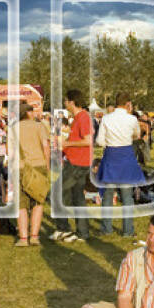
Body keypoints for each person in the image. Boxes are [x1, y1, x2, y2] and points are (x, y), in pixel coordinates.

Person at [94, 92, 145, 238]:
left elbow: (99, 141)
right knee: (127, 196)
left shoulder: (106, 118)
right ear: (128, 104)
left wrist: (110, 143)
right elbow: (137, 135)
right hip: (126, 156)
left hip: (111, 155)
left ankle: (106, 229)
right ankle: (128, 231)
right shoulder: (132, 119)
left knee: (108, 196)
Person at [55, 89, 95, 242]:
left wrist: (67, 143)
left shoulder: (83, 117)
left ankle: (63, 228)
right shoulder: (77, 118)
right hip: (76, 161)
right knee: (78, 198)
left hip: (78, 163)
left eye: (66, 101)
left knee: (57, 193)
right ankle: (82, 233)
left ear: (72, 102)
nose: (65, 104)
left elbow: (87, 141)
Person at [14, 102, 51, 247]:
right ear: (28, 113)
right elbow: (46, 147)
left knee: (21, 204)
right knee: (38, 201)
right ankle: (34, 236)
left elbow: (9, 152)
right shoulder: (39, 126)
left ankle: (23, 238)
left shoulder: (12, 128)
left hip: (20, 167)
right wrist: (47, 165)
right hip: (38, 166)